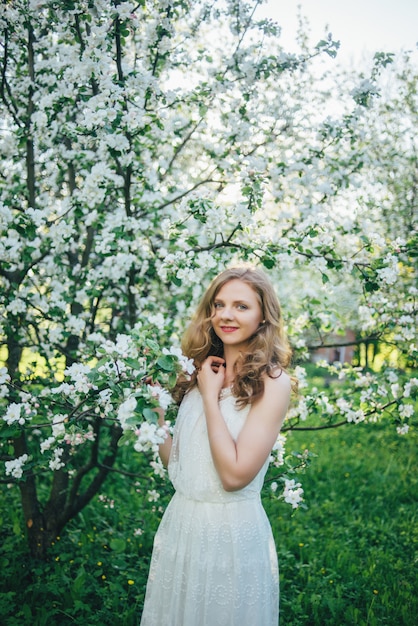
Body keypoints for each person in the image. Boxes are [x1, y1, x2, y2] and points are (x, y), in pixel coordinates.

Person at [140, 266, 293, 626]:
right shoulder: (199, 370)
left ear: (262, 316)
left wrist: (211, 398)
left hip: (230, 534)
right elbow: (180, 467)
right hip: (182, 526)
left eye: (241, 306)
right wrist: (158, 419)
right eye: (219, 304)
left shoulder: (273, 383)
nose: (226, 314)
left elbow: (234, 475)